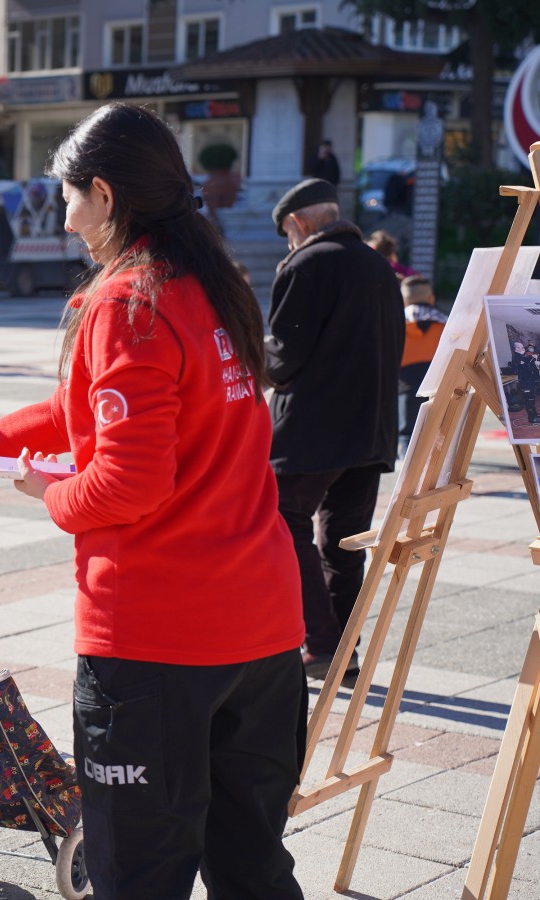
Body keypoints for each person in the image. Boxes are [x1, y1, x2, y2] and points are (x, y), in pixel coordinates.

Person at [0, 102, 306, 900]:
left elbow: (124, 484)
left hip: (157, 642)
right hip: (263, 631)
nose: (66, 217)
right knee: (253, 863)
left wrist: (52, 492)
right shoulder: (215, 285)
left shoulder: (126, 303)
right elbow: (78, 409)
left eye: (69, 197)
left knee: (138, 874)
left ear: (106, 195)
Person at [268, 177, 403, 682]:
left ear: (299, 223)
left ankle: (322, 642)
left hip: (314, 430)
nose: (288, 242)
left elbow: (283, 359)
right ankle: (344, 650)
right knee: (344, 542)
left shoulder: (307, 264)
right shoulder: (377, 264)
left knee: (283, 519)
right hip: (370, 431)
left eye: (286, 232)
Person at [399, 275, 447, 454]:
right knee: (437, 433)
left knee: (407, 435)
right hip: (438, 385)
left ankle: (406, 471)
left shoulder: (396, 322)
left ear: (404, 300)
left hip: (404, 386)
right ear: (431, 298)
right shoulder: (446, 323)